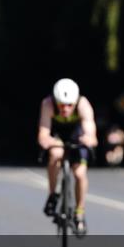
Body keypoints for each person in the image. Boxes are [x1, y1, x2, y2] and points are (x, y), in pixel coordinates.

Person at [37, 78, 98, 235]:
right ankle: (53, 195)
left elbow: (91, 133)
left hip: (77, 135)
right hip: (57, 135)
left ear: (75, 101)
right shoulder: (48, 104)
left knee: (79, 173)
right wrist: (47, 141)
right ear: (56, 100)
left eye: (69, 105)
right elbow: (43, 134)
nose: (65, 108)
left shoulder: (83, 104)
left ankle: (79, 212)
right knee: (55, 153)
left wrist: (88, 139)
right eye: (61, 104)